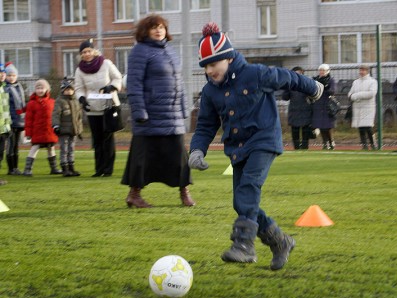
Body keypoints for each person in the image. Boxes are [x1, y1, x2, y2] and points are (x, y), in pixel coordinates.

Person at [189, 22, 323, 270]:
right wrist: (197, 150)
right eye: (205, 66)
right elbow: (205, 125)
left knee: (249, 187)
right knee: (241, 203)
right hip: (237, 149)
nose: (208, 70)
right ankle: (280, 241)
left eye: (212, 64)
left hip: (264, 141)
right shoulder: (210, 92)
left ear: (228, 58)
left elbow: (289, 77)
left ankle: (244, 246)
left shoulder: (256, 74)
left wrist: (313, 87)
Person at [121, 14, 195, 208]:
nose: (158, 30)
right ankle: (134, 195)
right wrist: (139, 112)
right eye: (153, 27)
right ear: (145, 31)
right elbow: (134, 84)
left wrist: (183, 108)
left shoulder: (171, 51)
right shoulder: (139, 51)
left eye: (161, 26)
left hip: (172, 117)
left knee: (179, 157)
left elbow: (179, 83)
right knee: (142, 157)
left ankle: (184, 193)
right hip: (149, 116)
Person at [74, 38, 122, 177]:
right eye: (83, 52)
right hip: (92, 108)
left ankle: (108, 169)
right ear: (81, 54)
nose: (86, 54)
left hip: (108, 106)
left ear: (94, 51)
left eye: (88, 51)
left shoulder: (106, 64)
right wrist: (82, 98)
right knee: (97, 139)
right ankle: (98, 169)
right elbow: (79, 88)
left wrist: (111, 87)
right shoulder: (80, 70)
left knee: (108, 138)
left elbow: (117, 77)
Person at [22, 79, 62, 176]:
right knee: (34, 148)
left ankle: (54, 168)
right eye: (38, 88)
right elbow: (28, 120)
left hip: (49, 131)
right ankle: (28, 169)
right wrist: (28, 133)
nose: (40, 90)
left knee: (51, 148)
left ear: (47, 89)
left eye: (42, 88)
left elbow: (56, 116)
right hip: (37, 131)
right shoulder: (31, 104)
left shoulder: (52, 102)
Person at [52, 78, 83, 177]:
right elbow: (55, 115)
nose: (68, 91)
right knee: (64, 149)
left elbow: (79, 117)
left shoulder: (76, 102)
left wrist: (79, 130)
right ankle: (64, 168)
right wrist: (56, 126)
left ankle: (71, 167)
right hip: (64, 130)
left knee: (71, 149)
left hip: (73, 130)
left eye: (70, 89)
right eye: (66, 89)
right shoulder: (59, 101)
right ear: (62, 90)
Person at [282, 66, 313, 150]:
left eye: (299, 73)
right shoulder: (290, 84)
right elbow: (285, 97)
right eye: (295, 73)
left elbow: (312, 96)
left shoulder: (307, 83)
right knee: (295, 131)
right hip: (294, 110)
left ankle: (305, 148)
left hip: (305, 110)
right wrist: (287, 88)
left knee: (305, 131)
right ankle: (296, 148)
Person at [348, 64, 378, 150]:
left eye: (363, 70)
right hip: (357, 107)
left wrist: (357, 95)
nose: (361, 72)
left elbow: (371, 93)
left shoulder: (373, 81)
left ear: (367, 71)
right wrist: (353, 97)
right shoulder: (356, 82)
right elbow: (350, 94)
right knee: (360, 127)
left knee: (368, 127)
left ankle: (373, 144)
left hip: (368, 107)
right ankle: (364, 145)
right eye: (360, 70)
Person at [4, 63, 26, 175]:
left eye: (13, 75)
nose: (11, 77)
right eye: (9, 75)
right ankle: (11, 168)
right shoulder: (5, 88)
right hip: (10, 121)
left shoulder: (19, 88)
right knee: (11, 145)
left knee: (17, 145)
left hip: (19, 120)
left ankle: (16, 168)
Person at [311, 64, 337, 150]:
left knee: (327, 126)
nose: (321, 72)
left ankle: (331, 141)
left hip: (327, 105)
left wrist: (325, 87)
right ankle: (325, 143)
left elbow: (332, 91)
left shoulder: (331, 80)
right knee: (320, 125)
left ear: (327, 71)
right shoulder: (316, 80)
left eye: (323, 70)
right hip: (318, 104)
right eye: (320, 70)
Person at [0, 64, 10, 185]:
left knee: (0, 155)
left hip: (2, 129)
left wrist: (8, 127)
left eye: (3, 72)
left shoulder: (4, 89)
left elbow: (6, 110)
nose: (2, 75)